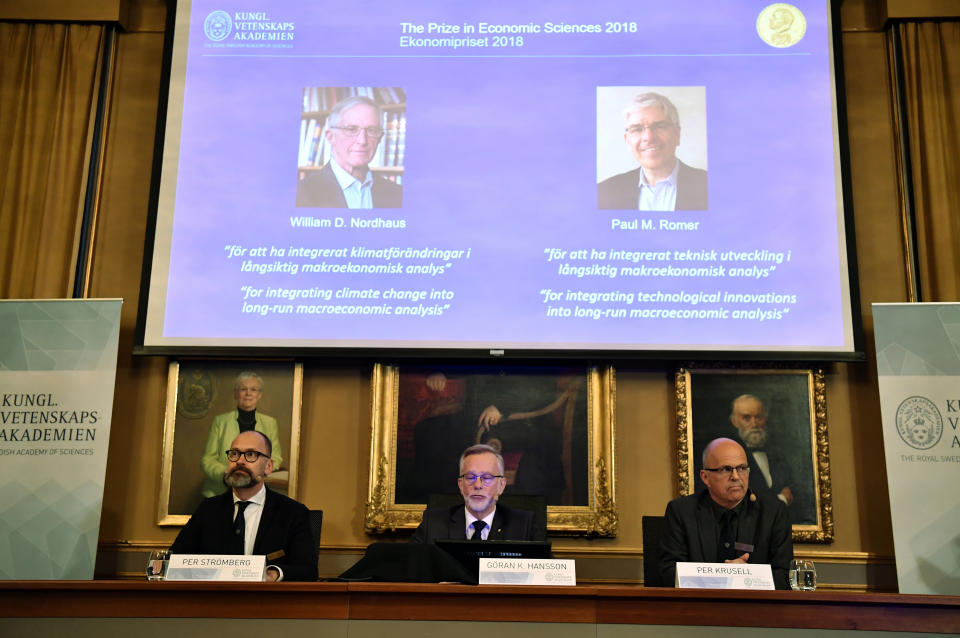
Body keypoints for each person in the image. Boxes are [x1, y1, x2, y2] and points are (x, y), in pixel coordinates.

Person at [170, 430, 318, 581]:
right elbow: (174, 560)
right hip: (214, 600)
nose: (240, 461)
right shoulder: (208, 510)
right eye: (234, 453)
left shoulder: (293, 512)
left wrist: (273, 574)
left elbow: (308, 571)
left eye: (251, 454)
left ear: (268, 466)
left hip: (267, 601)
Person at [659, 438, 793, 589]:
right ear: (705, 477)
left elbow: (785, 576)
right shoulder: (681, 512)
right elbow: (669, 573)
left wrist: (745, 577)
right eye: (726, 469)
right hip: (699, 607)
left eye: (741, 468)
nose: (736, 476)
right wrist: (725, 577)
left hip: (755, 608)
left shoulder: (773, 512)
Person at [409, 443, 545, 543]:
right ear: (461, 485)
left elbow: (545, 573)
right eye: (470, 477)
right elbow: (410, 569)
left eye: (487, 478)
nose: (478, 485)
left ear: (501, 486)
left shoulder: (523, 525)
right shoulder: (433, 524)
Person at [598, 91, 708, 211]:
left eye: (659, 127)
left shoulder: (708, 186)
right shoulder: (604, 192)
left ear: (677, 134)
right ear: (627, 141)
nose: (648, 137)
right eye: (637, 129)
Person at [296, 95, 402, 208]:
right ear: (330, 136)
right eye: (351, 129)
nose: (362, 141)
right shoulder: (300, 194)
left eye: (371, 130)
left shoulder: (398, 194)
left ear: (380, 138)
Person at [200, 372, 283, 499]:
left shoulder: (270, 423)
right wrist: (227, 474)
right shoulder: (220, 421)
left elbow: (275, 458)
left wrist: (254, 474)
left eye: (253, 389)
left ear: (259, 395)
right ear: (235, 394)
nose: (248, 393)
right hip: (219, 492)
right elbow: (208, 460)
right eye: (243, 389)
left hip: (256, 492)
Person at [729, 394, 794, 507]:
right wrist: (781, 499)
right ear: (735, 421)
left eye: (758, 417)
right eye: (747, 418)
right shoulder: (729, 455)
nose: (754, 424)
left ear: (765, 419)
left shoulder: (777, 454)